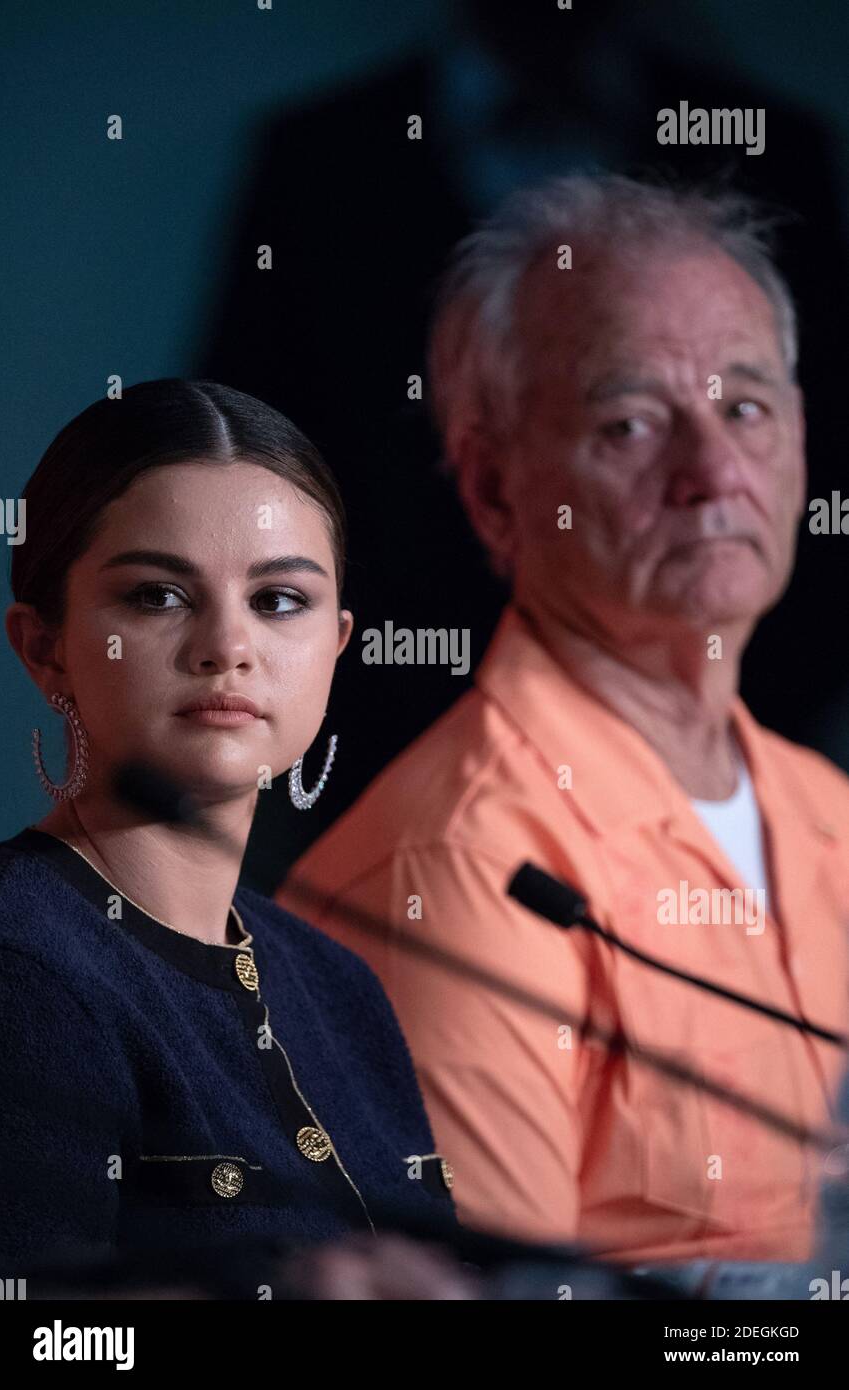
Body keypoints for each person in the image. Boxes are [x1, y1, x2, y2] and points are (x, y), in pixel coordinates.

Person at [279, 174, 849, 1267]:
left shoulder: (826, 810)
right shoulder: (455, 867)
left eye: (744, 406)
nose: (712, 472)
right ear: (496, 492)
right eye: (630, 423)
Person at [0, 378, 472, 1300]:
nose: (227, 646)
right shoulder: (17, 970)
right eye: (159, 595)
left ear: (336, 642)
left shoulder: (336, 983)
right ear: (45, 648)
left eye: (279, 600)